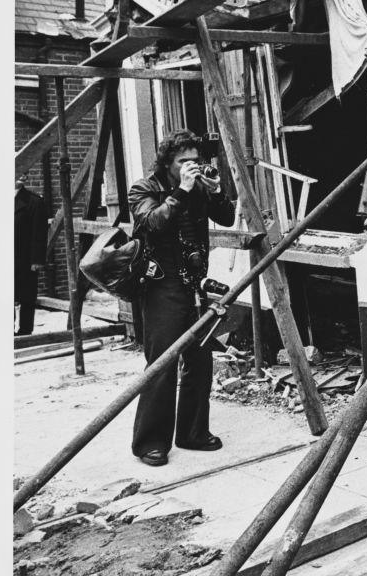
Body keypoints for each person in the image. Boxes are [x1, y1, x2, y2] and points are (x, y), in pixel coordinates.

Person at [129, 129, 236, 467]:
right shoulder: (144, 188)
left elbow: (228, 218)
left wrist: (215, 190)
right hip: (162, 284)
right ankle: (150, 442)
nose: (191, 166)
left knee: (201, 360)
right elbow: (153, 223)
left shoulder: (198, 184)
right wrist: (181, 191)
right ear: (167, 164)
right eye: (183, 162)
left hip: (196, 283)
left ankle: (192, 432)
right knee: (162, 362)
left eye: (195, 160)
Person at [14, 176, 48, 336]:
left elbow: (39, 234)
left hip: (24, 259)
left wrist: (37, 260)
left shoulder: (34, 202)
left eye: (24, 173)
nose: (23, 176)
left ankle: (25, 332)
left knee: (27, 296)